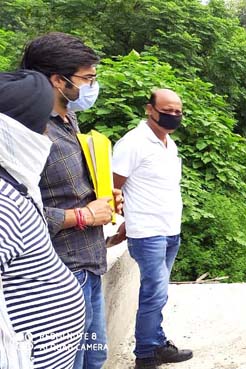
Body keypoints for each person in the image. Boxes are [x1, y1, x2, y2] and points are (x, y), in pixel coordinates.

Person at [20, 32, 123, 369]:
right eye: (87, 79)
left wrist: (104, 197)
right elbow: (14, 210)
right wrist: (80, 216)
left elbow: (70, 187)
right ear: (57, 79)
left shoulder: (68, 119)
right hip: (58, 275)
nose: (92, 87)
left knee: (94, 359)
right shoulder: (27, 132)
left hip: (91, 263)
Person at [0, 70, 86, 369]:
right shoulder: (3, 203)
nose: (47, 134)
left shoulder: (14, 183)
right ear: (19, 131)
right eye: (40, 125)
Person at [111, 89, 193, 369]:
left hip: (170, 229)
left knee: (159, 291)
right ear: (150, 109)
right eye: (167, 110)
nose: (173, 116)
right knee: (154, 292)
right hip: (147, 232)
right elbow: (113, 187)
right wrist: (122, 220)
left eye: (178, 112)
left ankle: (156, 342)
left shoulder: (169, 143)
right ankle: (145, 355)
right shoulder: (133, 143)